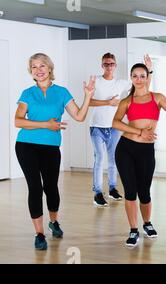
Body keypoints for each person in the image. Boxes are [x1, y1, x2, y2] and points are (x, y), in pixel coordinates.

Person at [14, 53, 95, 250]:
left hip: (50, 148)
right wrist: (46, 125)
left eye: (42, 66)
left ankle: (54, 221)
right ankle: (39, 233)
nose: (38, 70)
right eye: (34, 67)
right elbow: (18, 121)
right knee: (35, 187)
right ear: (31, 72)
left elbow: (79, 116)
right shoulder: (27, 93)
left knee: (50, 187)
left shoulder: (61, 92)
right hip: (26, 145)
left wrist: (88, 96)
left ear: (50, 68)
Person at [112, 63, 166, 247]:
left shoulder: (157, 98)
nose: (138, 79)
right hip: (126, 149)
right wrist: (139, 132)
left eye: (142, 76)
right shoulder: (126, 101)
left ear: (147, 77)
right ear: (131, 78)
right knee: (130, 191)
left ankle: (147, 223)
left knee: (144, 192)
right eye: (135, 76)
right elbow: (115, 123)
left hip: (146, 150)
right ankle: (133, 230)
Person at [89, 53, 152, 207]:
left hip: (114, 127)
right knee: (99, 159)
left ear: (115, 66)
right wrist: (107, 102)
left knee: (113, 160)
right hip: (97, 126)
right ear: (102, 65)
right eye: (106, 64)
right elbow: (88, 101)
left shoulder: (122, 83)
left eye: (111, 64)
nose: (109, 66)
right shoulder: (95, 80)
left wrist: (148, 71)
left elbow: (141, 87)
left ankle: (112, 189)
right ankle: (97, 192)